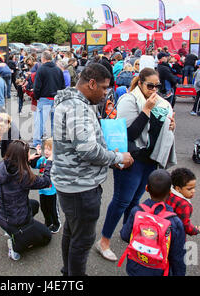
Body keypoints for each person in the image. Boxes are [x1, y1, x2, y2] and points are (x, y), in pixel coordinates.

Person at [52, 63, 134, 276]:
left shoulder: (71, 101)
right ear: (91, 83)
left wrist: (106, 151)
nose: (106, 93)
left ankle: (68, 272)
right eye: (104, 88)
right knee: (83, 240)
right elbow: (87, 150)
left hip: (71, 183)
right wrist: (117, 157)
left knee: (72, 234)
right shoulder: (78, 107)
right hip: (80, 186)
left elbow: (83, 144)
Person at [97, 67, 176, 262]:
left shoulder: (160, 102)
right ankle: (103, 242)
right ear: (140, 83)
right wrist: (147, 110)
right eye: (150, 86)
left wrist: (171, 124)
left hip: (150, 159)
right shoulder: (129, 100)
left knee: (134, 201)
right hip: (132, 158)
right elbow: (130, 134)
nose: (154, 90)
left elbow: (159, 127)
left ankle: (127, 233)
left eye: (157, 86)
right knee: (121, 200)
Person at [119, 169, 186, 276]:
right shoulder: (174, 222)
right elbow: (177, 255)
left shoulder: (136, 211)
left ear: (146, 188)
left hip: (135, 266)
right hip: (159, 270)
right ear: (170, 192)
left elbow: (125, 235)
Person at [0, 140, 53, 261]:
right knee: (47, 237)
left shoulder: (1, 165)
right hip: (16, 220)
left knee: (35, 204)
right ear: (21, 157)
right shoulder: (23, 176)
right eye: (27, 154)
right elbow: (46, 181)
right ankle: (16, 244)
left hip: (2, 214)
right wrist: (49, 163)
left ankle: (13, 232)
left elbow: (16, 166)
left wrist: (27, 159)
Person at [33, 51, 65, 147]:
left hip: (44, 98)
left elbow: (37, 86)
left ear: (43, 59)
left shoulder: (41, 69)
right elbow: (62, 86)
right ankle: (54, 142)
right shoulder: (58, 70)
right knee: (54, 123)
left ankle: (37, 143)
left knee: (40, 122)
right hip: (56, 99)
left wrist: (37, 97)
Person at [29, 138, 61, 234]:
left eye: (49, 149)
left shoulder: (56, 162)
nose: (46, 151)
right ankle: (48, 222)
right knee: (44, 208)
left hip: (52, 191)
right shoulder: (43, 160)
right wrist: (37, 155)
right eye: (45, 149)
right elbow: (34, 165)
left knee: (53, 209)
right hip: (42, 190)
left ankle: (57, 224)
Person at [167, 168, 200, 236]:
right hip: (176, 234)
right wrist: (195, 230)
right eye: (189, 189)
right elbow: (185, 224)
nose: (193, 191)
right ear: (178, 189)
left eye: (194, 188)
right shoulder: (184, 205)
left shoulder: (167, 191)